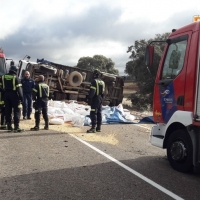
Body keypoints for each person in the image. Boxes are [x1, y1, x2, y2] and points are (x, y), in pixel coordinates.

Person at [0, 65, 24, 132]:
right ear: (15, 70)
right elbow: (19, 89)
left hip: (6, 95)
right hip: (14, 95)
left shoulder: (3, 77)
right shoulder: (15, 77)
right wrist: (21, 98)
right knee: (16, 110)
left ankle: (9, 126)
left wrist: (4, 92)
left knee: (8, 110)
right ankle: (16, 126)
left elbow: (0, 87)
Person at [87, 69, 105, 133]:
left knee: (93, 112)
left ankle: (93, 128)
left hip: (95, 98)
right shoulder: (102, 82)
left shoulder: (94, 81)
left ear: (95, 74)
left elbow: (92, 92)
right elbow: (103, 92)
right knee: (99, 112)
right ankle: (98, 127)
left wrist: (89, 98)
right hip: (100, 98)